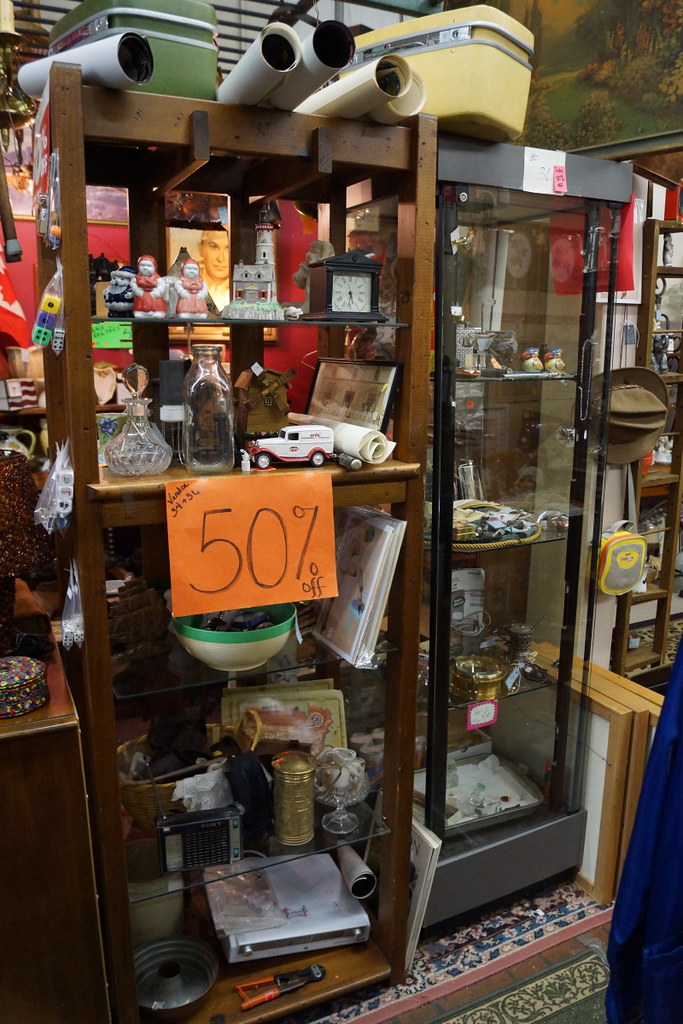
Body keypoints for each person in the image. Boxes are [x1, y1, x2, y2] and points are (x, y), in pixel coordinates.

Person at [197, 229, 230, 313]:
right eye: (214, 247)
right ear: (201, 249)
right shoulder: (185, 282)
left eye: (228, 248)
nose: (221, 258)